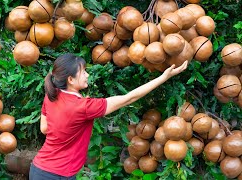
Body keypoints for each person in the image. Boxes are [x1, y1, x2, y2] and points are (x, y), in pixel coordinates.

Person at [29, 53, 188, 179]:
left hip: (40, 169)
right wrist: (164, 77)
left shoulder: (52, 95)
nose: (87, 75)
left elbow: (44, 129)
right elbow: (129, 98)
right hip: (58, 174)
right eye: (83, 72)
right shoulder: (83, 107)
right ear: (70, 79)